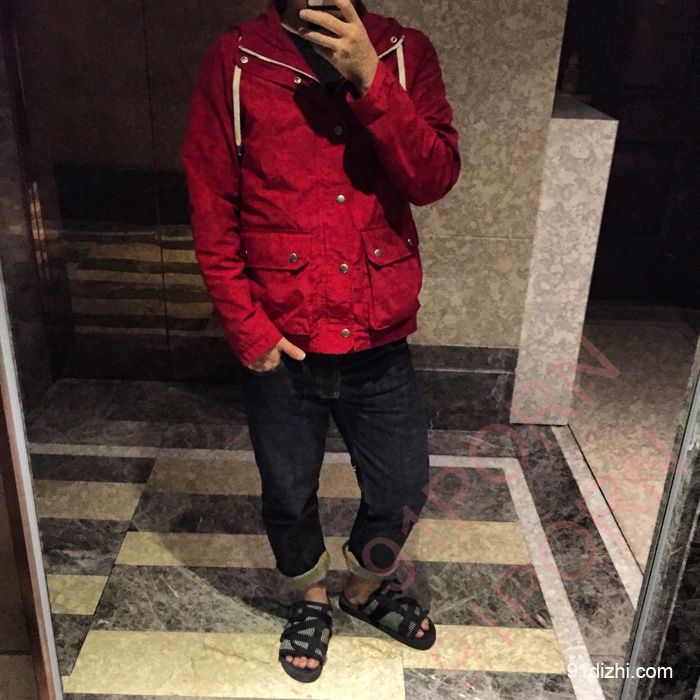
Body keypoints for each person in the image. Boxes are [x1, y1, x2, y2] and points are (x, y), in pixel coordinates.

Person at [181, 0, 460, 683]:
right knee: (287, 490)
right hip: (282, 337)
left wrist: (371, 77)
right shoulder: (236, 59)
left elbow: (433, 179)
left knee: (403, 485)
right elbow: (212, 204)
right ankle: (308, 597)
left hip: (378, 332)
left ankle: (362, 590)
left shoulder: (404, 53)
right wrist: (245, 324)